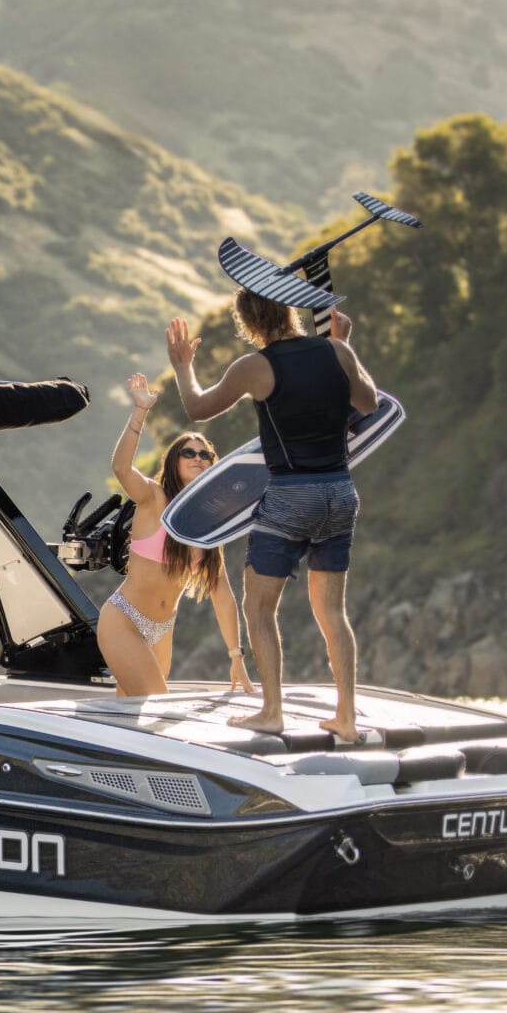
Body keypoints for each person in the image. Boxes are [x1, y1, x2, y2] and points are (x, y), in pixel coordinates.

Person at [164, 291, 380, 741]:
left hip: (289, 495)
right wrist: (345, 344)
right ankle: (346, 717)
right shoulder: (336, 351)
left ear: (249, 321)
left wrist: (183, 364)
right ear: (289, 310)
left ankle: (272, 712)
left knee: (258, 607)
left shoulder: (255, 366)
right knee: (333, 612)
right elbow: (370, 404)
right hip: (339, 492)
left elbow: (198, 408)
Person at [96, 372, 253, 697]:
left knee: (132, 719)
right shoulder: (154, 497)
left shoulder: (209, 523)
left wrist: (236, 656)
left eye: (204, 454)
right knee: (156, 703)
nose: (198, 458)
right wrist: (140, 411)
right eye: (189, 453)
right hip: (124, 619)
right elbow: (121, 468)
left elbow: (222, 595)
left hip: (162, 630)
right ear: (173, 461)